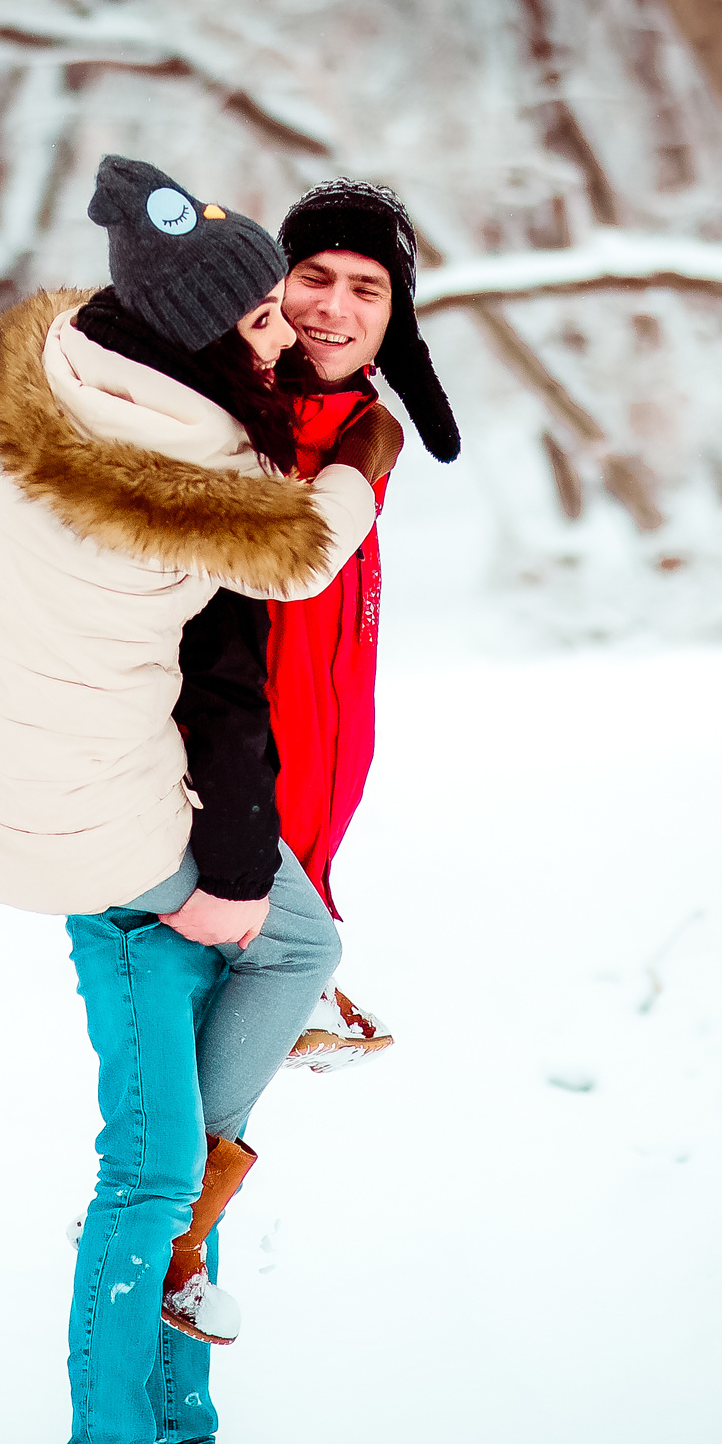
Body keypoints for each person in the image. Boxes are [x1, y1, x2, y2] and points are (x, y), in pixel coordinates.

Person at [0, 155, 399, 1444]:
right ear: (198, 336)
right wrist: (361, 456)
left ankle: (183, 1428)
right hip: (105, 826)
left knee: (260, 1021)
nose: (283, 334)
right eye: (259, 316)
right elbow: (284, 582)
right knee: (151, 1168)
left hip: (53, 779)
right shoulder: (195, 473)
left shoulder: (79, 376)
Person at [174, 178, 462, 1080]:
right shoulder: (226, 411)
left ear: (394, 319)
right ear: (273, 282)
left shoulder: (359, 428)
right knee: (167, 1130)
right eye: (313, 276)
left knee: (195, 1120)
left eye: (367, 288)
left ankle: (166, 1218)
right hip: (207, 832)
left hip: (291, 841)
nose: (333, 307)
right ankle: (151, 1223)